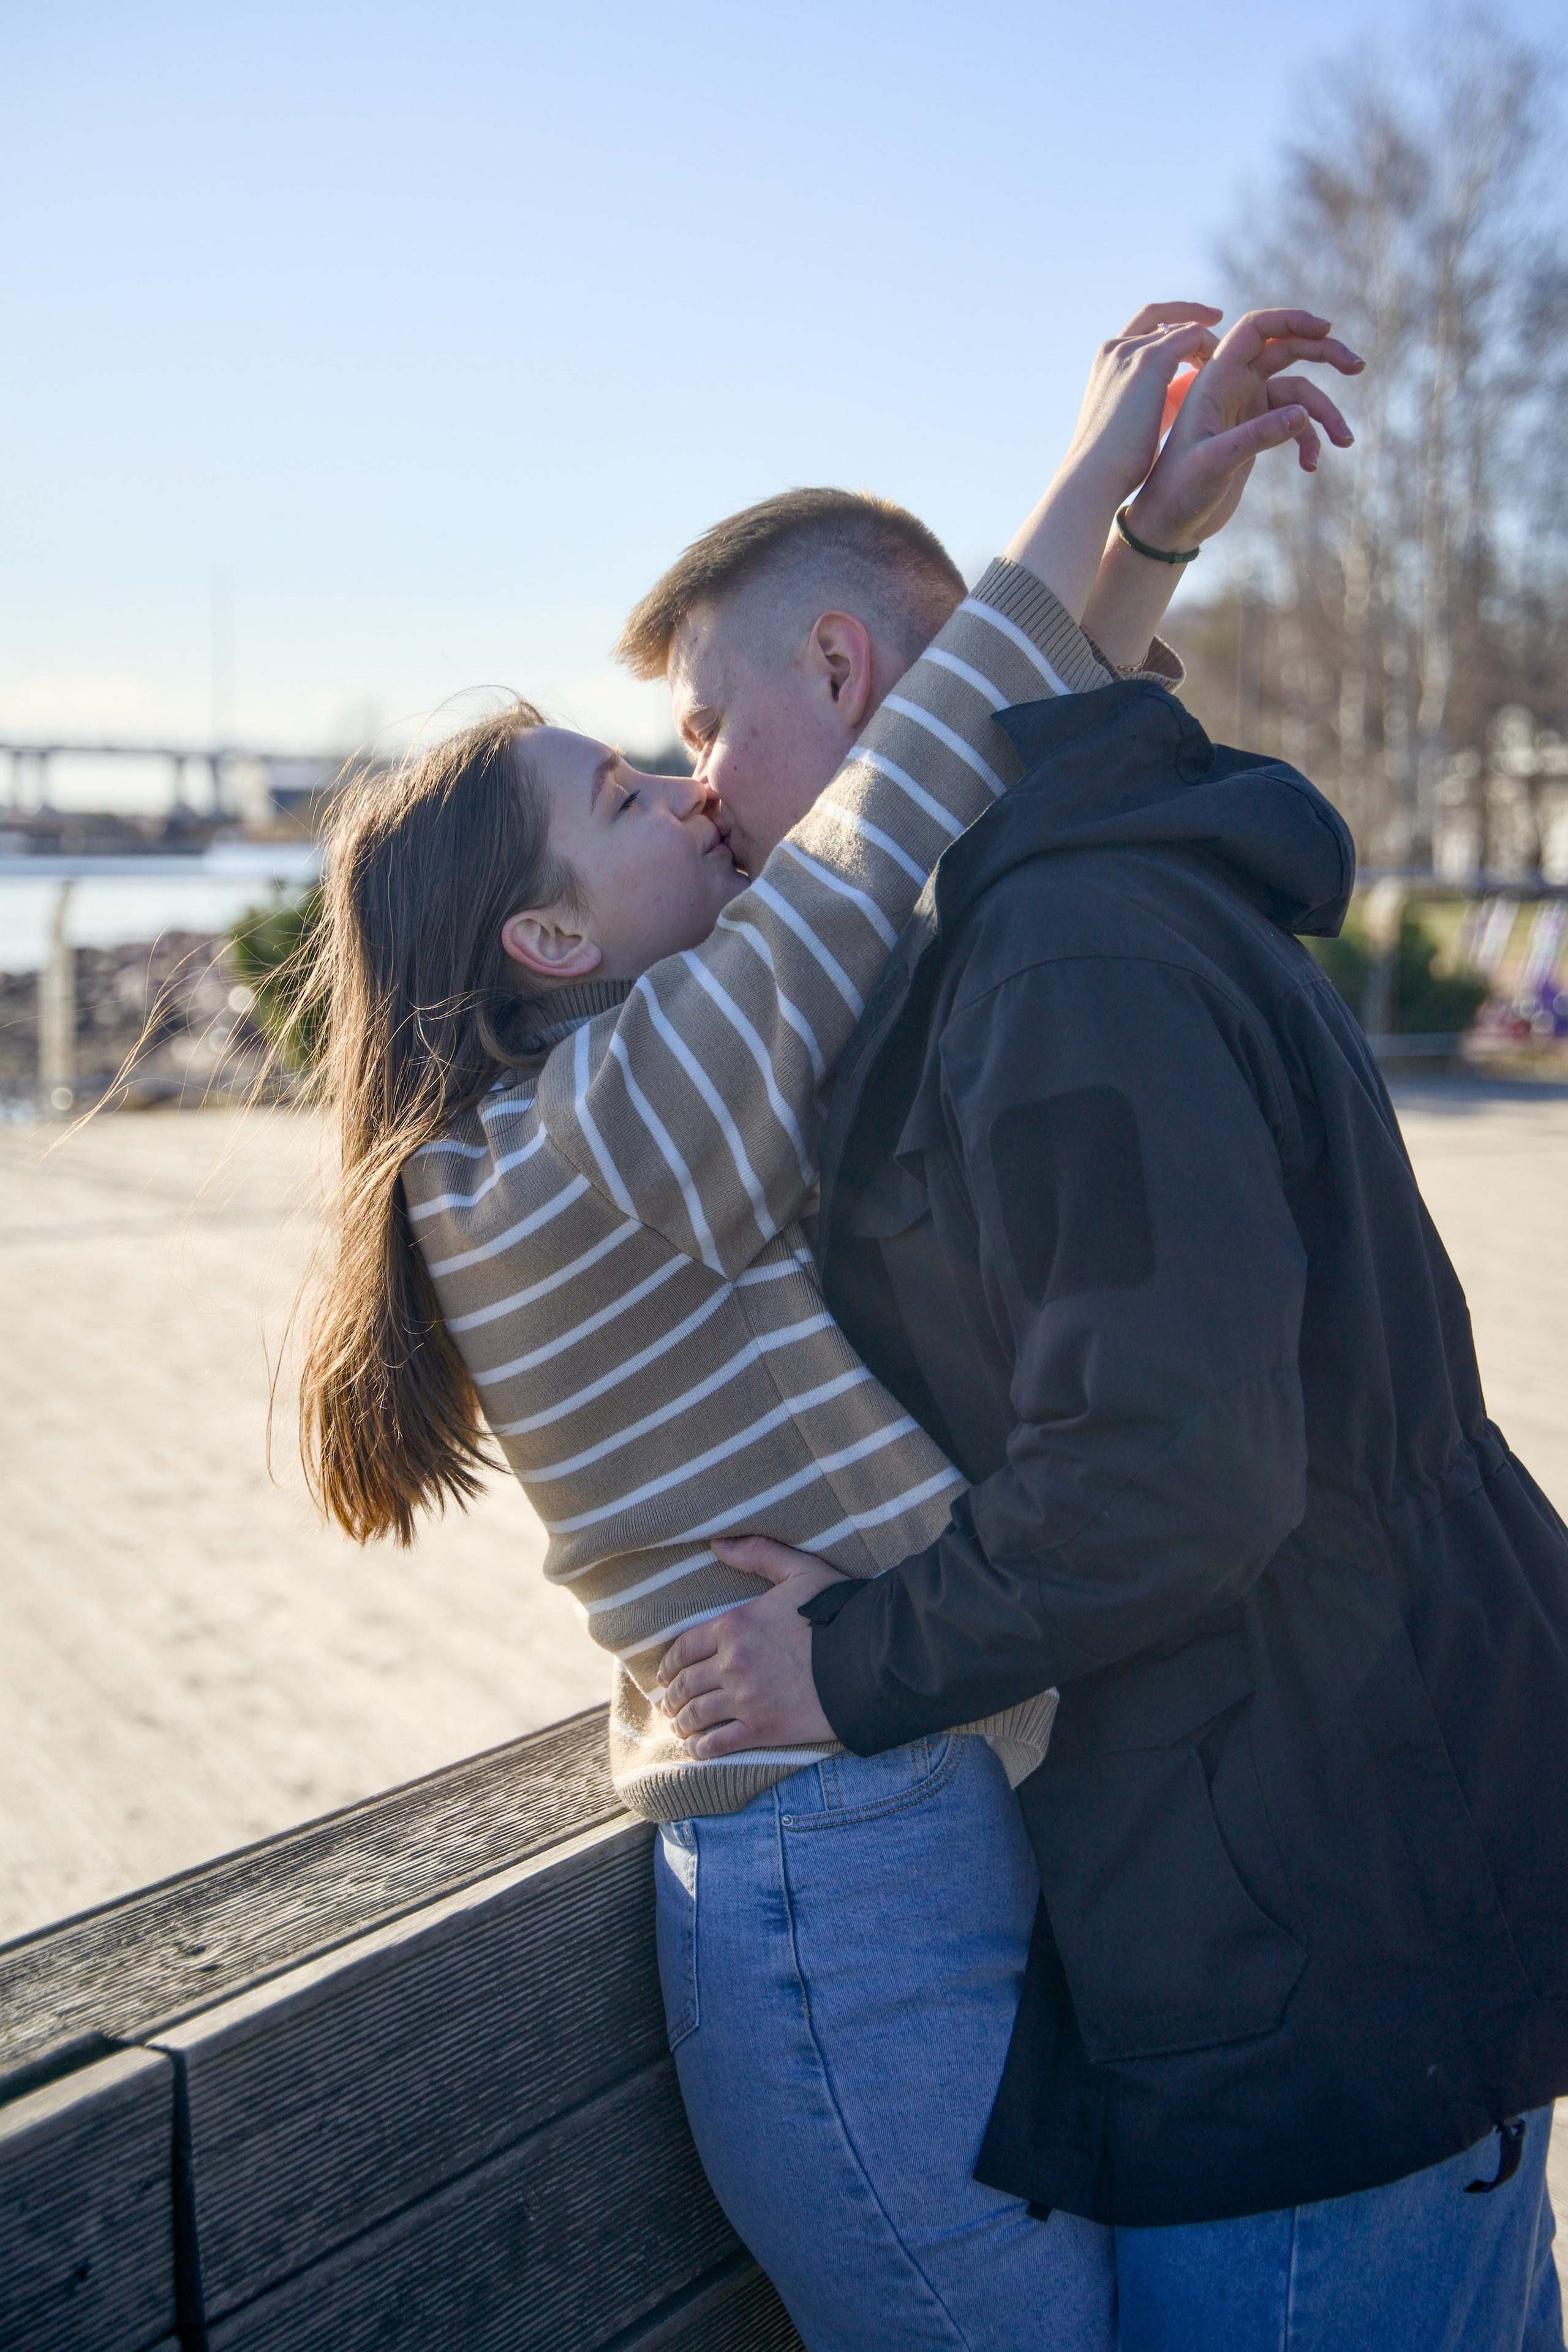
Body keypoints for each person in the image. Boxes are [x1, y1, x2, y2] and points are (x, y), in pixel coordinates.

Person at [293, 304, 1359, 2351]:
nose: (691, 799)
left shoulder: (609, 1106)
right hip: (833, 1874)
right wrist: (1092, 487)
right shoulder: (593, 1134)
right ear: (547, 936)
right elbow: (880, 837)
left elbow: (924, 818)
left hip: (896, 1796)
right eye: (630, 796)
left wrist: (1143, 550)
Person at [655, 537, 1568, 2342]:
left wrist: (849, 1663)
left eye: (701, 728)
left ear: (838, 669)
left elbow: (1171, 1471)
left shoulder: (1059, 954)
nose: (694, 796)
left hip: (1316, 1926)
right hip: (1373, 1848)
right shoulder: (1069, 901)